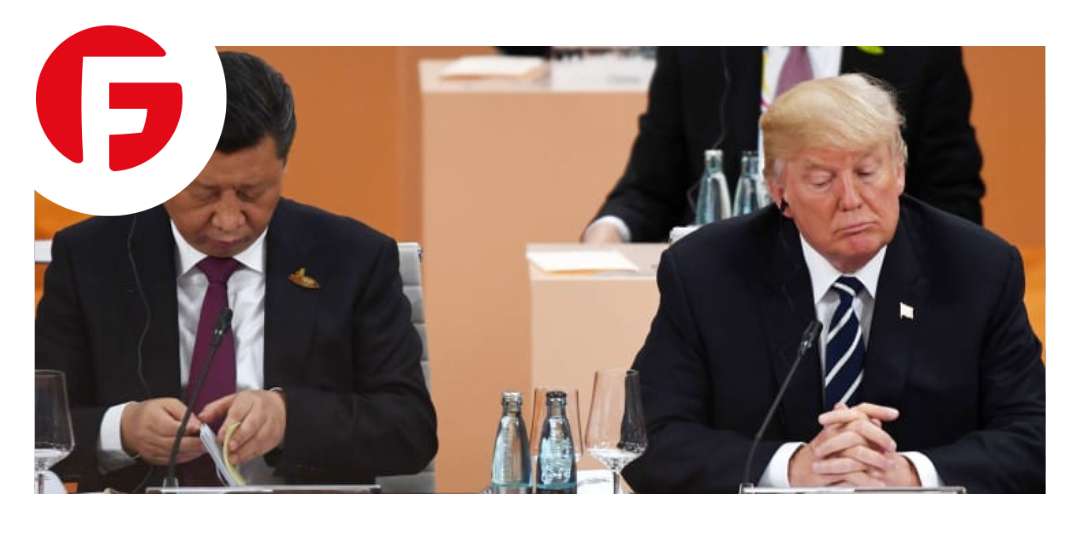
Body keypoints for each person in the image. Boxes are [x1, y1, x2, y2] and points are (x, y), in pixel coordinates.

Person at [35, 51, 438, 493]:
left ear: (284, 165)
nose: (228, 221)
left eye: (252, 193)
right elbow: (33, 425)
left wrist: (290, 417)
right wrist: (121, 430)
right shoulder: (91, 257)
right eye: (203, 194)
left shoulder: (354, 258)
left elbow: (410, 430)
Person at [620, 74, 1044, 493]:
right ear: (779, 192)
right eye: (822, 181)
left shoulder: (978, 269)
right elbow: (647, 439)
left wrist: (910, 475)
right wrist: (791, 468)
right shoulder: (706, 272)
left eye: (867, 172)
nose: (851, 200)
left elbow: (1040, 435)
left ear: (899, 171)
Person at [583, 47, 986, 243]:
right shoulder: (696, 49)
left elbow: (951, 198)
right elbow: (649, 189)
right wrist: (605, 237)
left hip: (868, 278)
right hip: (724, 281)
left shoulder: (919, 50)